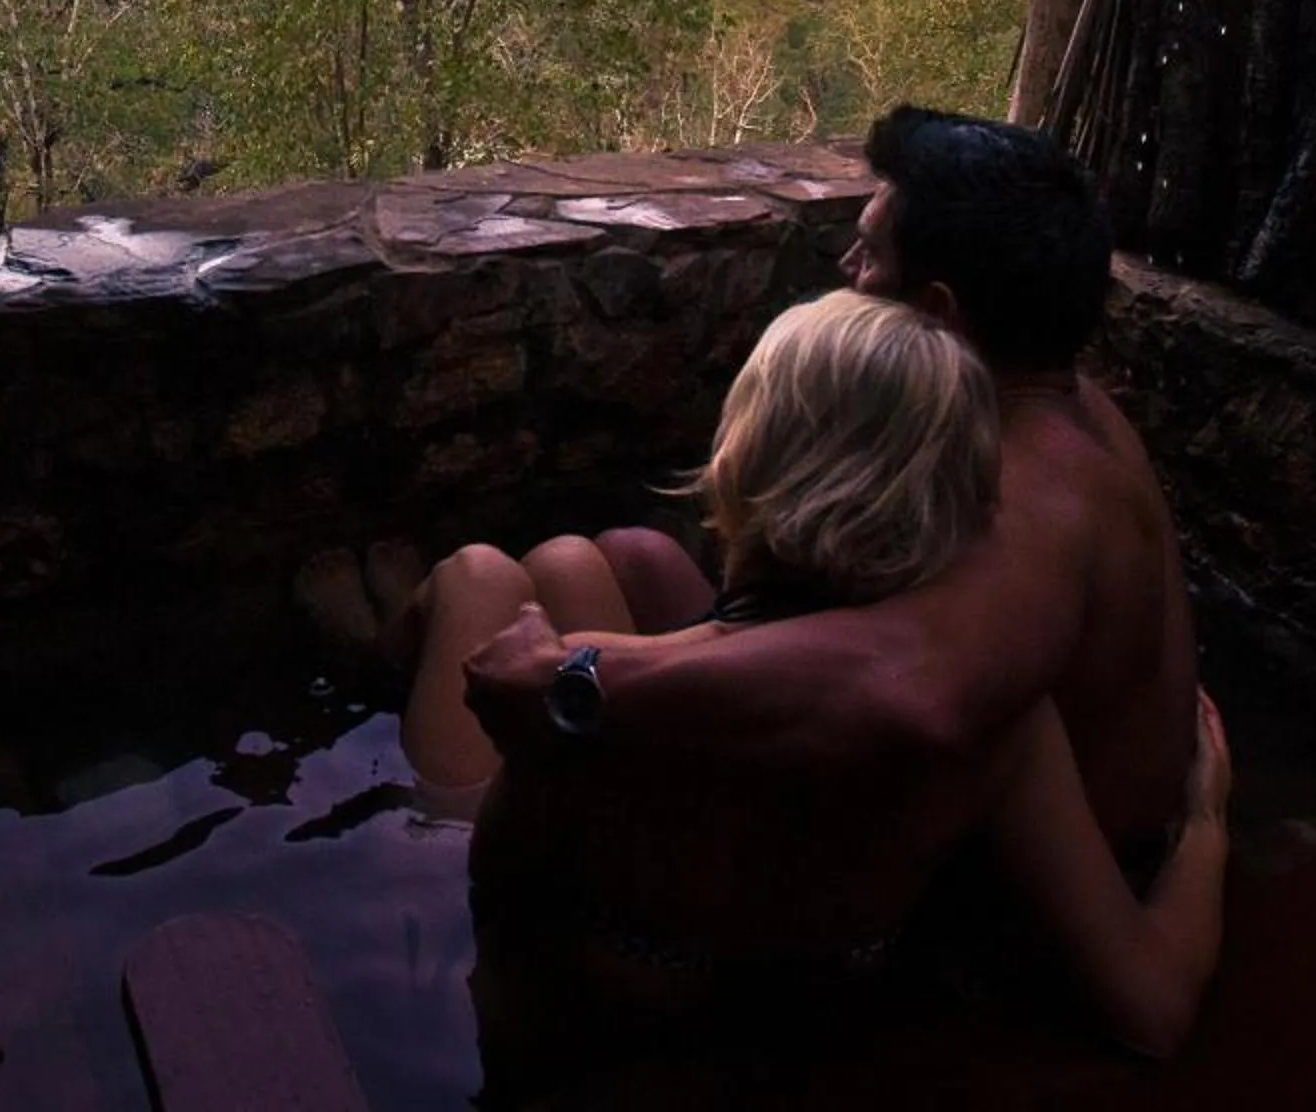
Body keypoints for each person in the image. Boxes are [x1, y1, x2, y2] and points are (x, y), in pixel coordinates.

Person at [401, 290, 1231, 1092]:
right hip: (802, 1005)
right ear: (968, 493)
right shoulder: (1002, 723)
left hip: (609, 1012)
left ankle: (378, 633)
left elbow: (491, 896)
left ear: (743, 456)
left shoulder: (594, 692)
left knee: (480, 574)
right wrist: (1206, 822)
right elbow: (1153, 1013)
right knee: (576, 563)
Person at [469, 106, 1199, 870]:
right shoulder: (1068, 405)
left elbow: (910, 690)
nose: (848, 267)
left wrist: (576, 677)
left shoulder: (1031, 492)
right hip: (1007, 826)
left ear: (937, 314)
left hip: (1003, 894)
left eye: (870, 252)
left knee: (493, 595)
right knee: (629, 555)